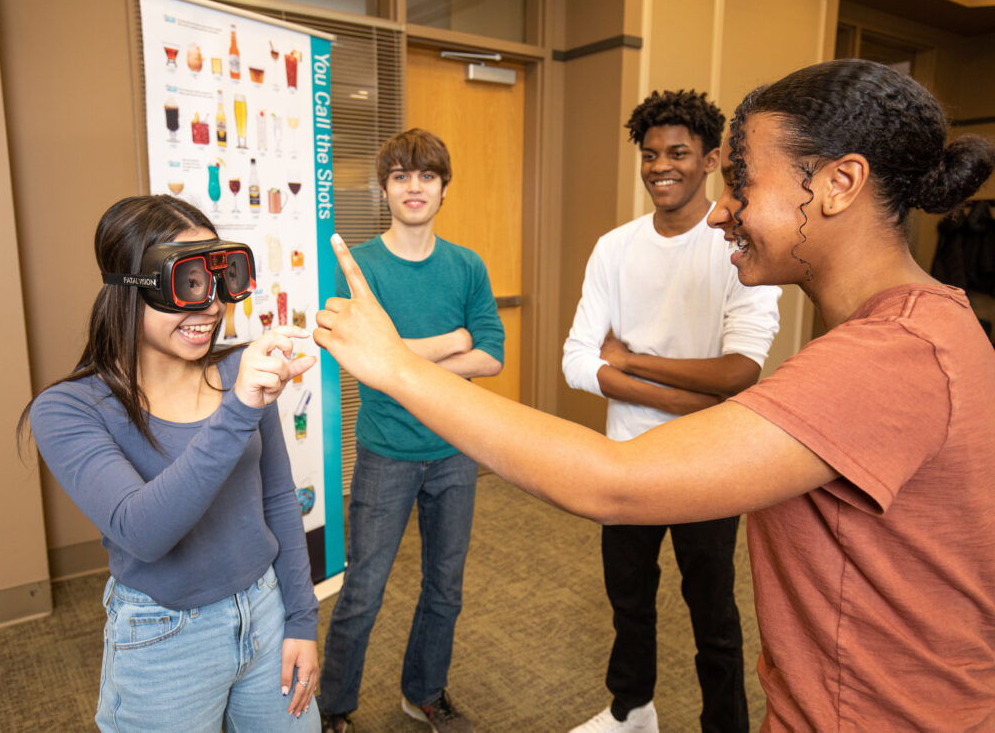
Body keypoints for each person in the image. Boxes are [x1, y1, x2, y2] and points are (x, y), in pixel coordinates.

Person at [315, 60, 995, 730]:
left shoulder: (889, 359)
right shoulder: (921, 329)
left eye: (742, 184)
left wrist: (399, 367)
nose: (723, 210)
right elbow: (593, 367)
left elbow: (613, 482)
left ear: (841, 183)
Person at [21, 195, 321, 732]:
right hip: (165, 637)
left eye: (220, 279)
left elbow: (277, 498)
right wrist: (239, 411)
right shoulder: (69, 410)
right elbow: (144, 530)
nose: (210, 307)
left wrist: (301, 620)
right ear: (129, 290)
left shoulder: (237, 372)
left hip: (267, 613)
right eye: (187, 284)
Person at [563, 90, 780, 733]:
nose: (662, 165)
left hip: (712, 465)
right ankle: (631, 711)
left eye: (679, 152)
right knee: (629, 603)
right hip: (628, 460)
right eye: (651, 153)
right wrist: (684, 397)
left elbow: (741, 373)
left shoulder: (739, 249)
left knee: (713, 615)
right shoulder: (614, 248)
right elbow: (577, 360)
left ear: (710, 159)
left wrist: (629, 362)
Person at [317, 128, 504, 733]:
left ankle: (423, 692)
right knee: (362, 593)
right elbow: (357, 358)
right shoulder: (359, 266)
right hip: (385, 452)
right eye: (401, 176)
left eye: (426, 175)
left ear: (444, 188)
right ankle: (333, 708)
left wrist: (397, 356)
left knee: (444, 589)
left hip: (455, 449)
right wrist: (452, 342)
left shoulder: (465, 266)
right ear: (385, 189)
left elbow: (491, 356)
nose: (414, 186)